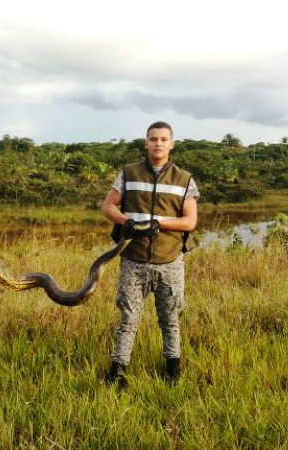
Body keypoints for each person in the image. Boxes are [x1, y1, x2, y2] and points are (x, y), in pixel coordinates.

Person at [101, 121, 199, 387]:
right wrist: (125, 222)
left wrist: (160, 223)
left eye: (163, 139)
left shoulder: (184, 179)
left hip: (170, 261)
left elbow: (190, 221)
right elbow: (108, 207)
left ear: (172, 144)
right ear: (145, 143)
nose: (158, 143)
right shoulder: (128, 173)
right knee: (128, 319)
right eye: (153, 139)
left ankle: (173, 369)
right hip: (133, 260)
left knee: (170, 319)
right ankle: (117, 371)